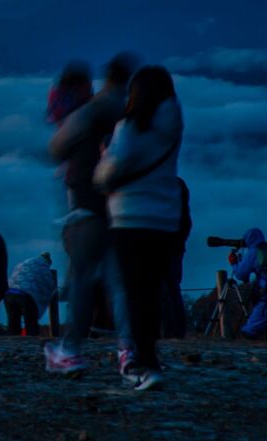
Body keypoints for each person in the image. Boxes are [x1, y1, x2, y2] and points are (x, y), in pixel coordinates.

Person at [93, 65, 184, 392]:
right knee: (151, 293)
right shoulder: (173, 126)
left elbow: (110, 172)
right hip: (164, 219)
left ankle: (142, 361)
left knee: (133, 292)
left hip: (129, 219)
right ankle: (150, 359)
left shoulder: (128, 128)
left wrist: (102, 162)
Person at [45, 55, 135, 376]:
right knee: (119, 281)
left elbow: (56, 147)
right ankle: (128, 349)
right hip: (124, 207)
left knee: (82, 278)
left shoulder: (91, 111)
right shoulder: (129, 110)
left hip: (87, 204)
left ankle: (70, 350)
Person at [161, 178, 192, 338]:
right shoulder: (178, 185)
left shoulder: (161, 185)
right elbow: (187, 222)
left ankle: (167, 330)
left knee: (164, 290)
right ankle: (176, 331)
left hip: (163, 244)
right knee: (173, 289)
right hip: (176, 246)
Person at [4, 253, 54, 336]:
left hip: (9, 294)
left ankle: (12, 342)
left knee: (13, 322)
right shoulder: (43, 266)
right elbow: (48, 284)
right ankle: (31, 341)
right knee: (31, 322)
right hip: (25, 294)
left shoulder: (25, 262)